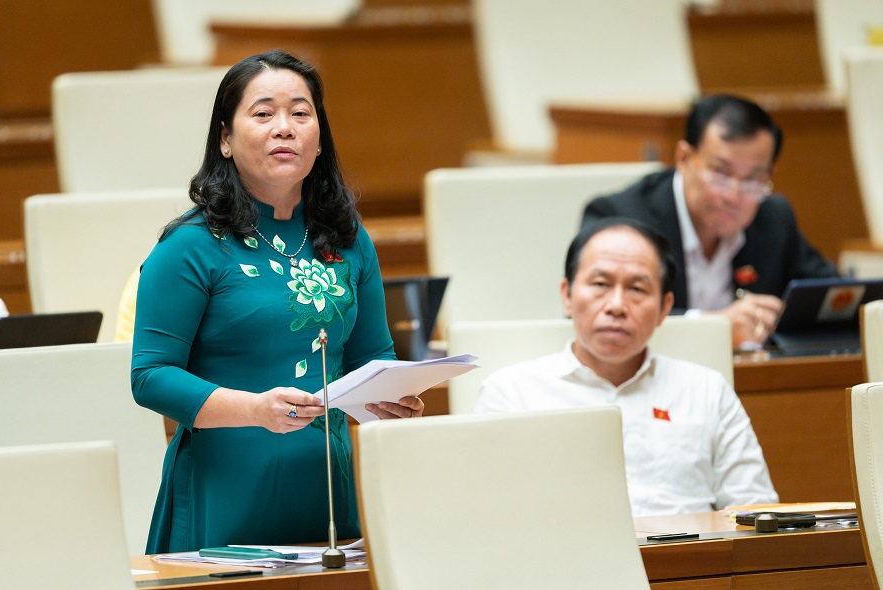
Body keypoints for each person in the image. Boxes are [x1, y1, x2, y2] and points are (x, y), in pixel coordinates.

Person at [131, 50, 424, 554]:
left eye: (300, 113)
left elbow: (372, 360)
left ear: (319, 139)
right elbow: (150, 376)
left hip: (326, 490)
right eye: (264, 113)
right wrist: (254, 408)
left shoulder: (348, 238)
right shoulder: (189, 246)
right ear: (225, 139)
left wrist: (394, 399)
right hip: (224, 492)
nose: (284, 127)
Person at [476, 217, 777, 516]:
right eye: (600, 284)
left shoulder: (707, 391)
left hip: (688, 546)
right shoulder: (512, 394)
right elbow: (484, 512)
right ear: (567, 295)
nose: (616, 306)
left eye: (636, 288)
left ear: (664, 308)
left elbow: (756, 511)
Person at [582, 94, 838, 349]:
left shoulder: (773, 219)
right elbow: (597, 312)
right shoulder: (621, 221)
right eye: (721, 173)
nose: (733, 196)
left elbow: (833, 297)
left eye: (753, 180)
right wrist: (715, 327)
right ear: (684, 158)